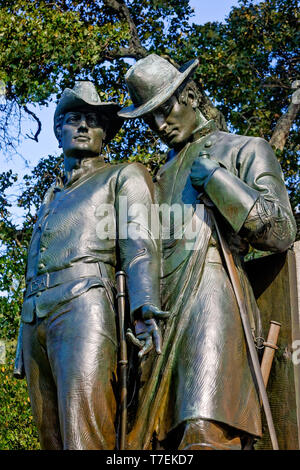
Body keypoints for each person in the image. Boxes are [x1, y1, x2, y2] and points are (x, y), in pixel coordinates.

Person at [118, 54, 297, 450]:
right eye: (149, 118)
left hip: (213, 300)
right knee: (157, 444)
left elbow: (282, 231)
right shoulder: (153, 181)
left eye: (164, 109)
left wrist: (217, 180)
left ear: (193, 95)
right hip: (160, 318)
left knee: (204, 433)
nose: (159, 126)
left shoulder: (246, 149)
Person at [18, 81, 167, 450]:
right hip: (35, 317)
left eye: (93, 120)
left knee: (84, 434)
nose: (83, 126)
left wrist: (144, 307)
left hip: (84, 306)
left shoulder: (123, 175)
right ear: (58, 131)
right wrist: (23, 337)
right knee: (50, 439)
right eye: (73, 118)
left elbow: (140, 245)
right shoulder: (49, 196)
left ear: (104, 134)